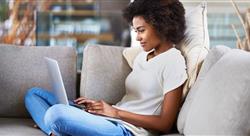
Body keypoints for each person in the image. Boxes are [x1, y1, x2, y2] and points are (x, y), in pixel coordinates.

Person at [25, 0, 187, 135]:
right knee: (33, 95)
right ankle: (57, 129)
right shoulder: (142, 57)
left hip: (126, 129)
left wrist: (116, 113)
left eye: (141, 30)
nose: (138, 38)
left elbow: (165, 124)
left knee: (56, 113)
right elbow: (132, 102)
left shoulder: (174, 61)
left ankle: (54, 127)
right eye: (135, 31)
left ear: (162, 25)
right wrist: (100, 107)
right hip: (112, 116)